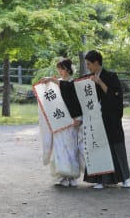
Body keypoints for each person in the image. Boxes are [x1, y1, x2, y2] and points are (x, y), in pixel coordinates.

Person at [82, 50, 130, 189]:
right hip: (96, 119)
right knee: (98, 147)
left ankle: (125, 178)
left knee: (116, 147)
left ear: (97, 63)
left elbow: (116, 97)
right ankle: (100, 179)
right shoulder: (88, 78)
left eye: (89, 64)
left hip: (111, 118)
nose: (88, 67)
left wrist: (100, 82)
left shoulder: (111, 76)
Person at [38, 58, 85, 187]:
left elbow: (75, 100)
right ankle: (60, 177)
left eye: (62, 68)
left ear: (68, 69)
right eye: (58, 68)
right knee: (59, 149)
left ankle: (72, 176)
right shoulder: (55, 84)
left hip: (72, 120)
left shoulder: (74, 83)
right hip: (59, 121)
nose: (60, 71)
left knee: (71, 149)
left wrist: (78, 118)